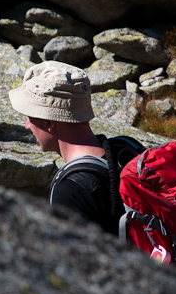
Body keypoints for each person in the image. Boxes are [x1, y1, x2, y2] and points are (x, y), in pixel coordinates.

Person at [9, 60, 121, 234]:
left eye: (30, 117)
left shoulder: (71, 191)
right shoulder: (126, 148)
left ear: (49, 121)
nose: (26, 125)